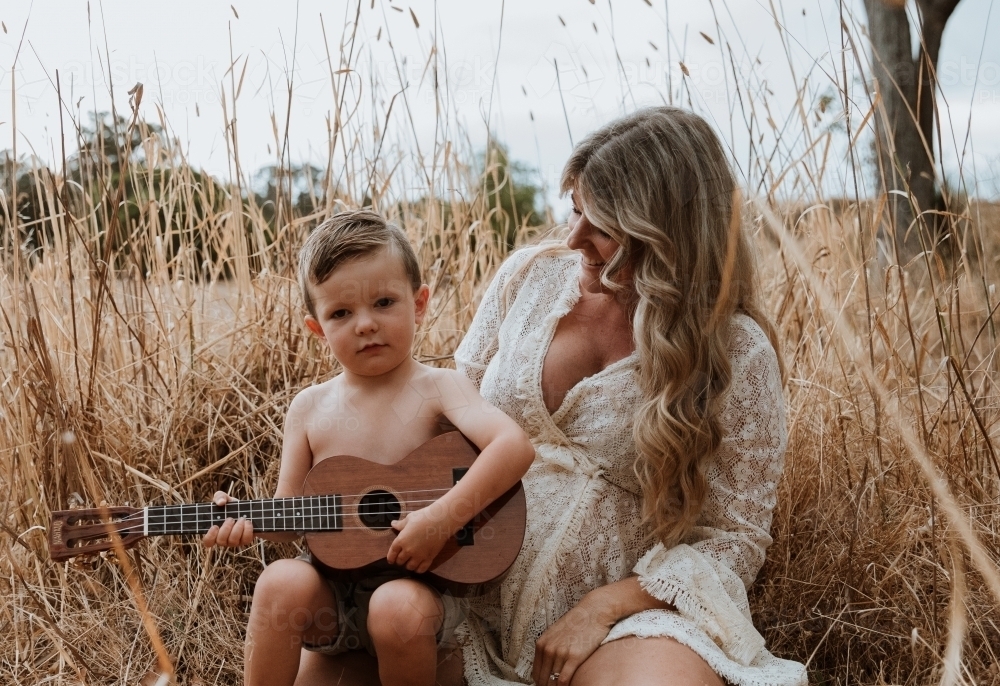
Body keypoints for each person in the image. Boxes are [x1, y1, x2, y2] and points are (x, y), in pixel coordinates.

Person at [452, 107, 808, 686]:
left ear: (666, 233)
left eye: (602, 224)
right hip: (466, 591)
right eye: (574, 212)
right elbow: (444, 409)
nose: (573, 239)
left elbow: (734, 540)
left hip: (625, 624)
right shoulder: (527, 279)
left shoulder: (734, 351)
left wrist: (605, 607)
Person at [202, 209, 536, 686]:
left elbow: (513, 446)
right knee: (279, 581)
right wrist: (241, 521)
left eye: (383, 302)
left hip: (421, 591)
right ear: (317, 328)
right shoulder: (309, 408)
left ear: (419, 303)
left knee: (395, 607)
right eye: (341, 313)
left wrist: (442, 518)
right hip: (332, 598)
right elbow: (287, 516)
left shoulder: (441, 387)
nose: (365, 325)